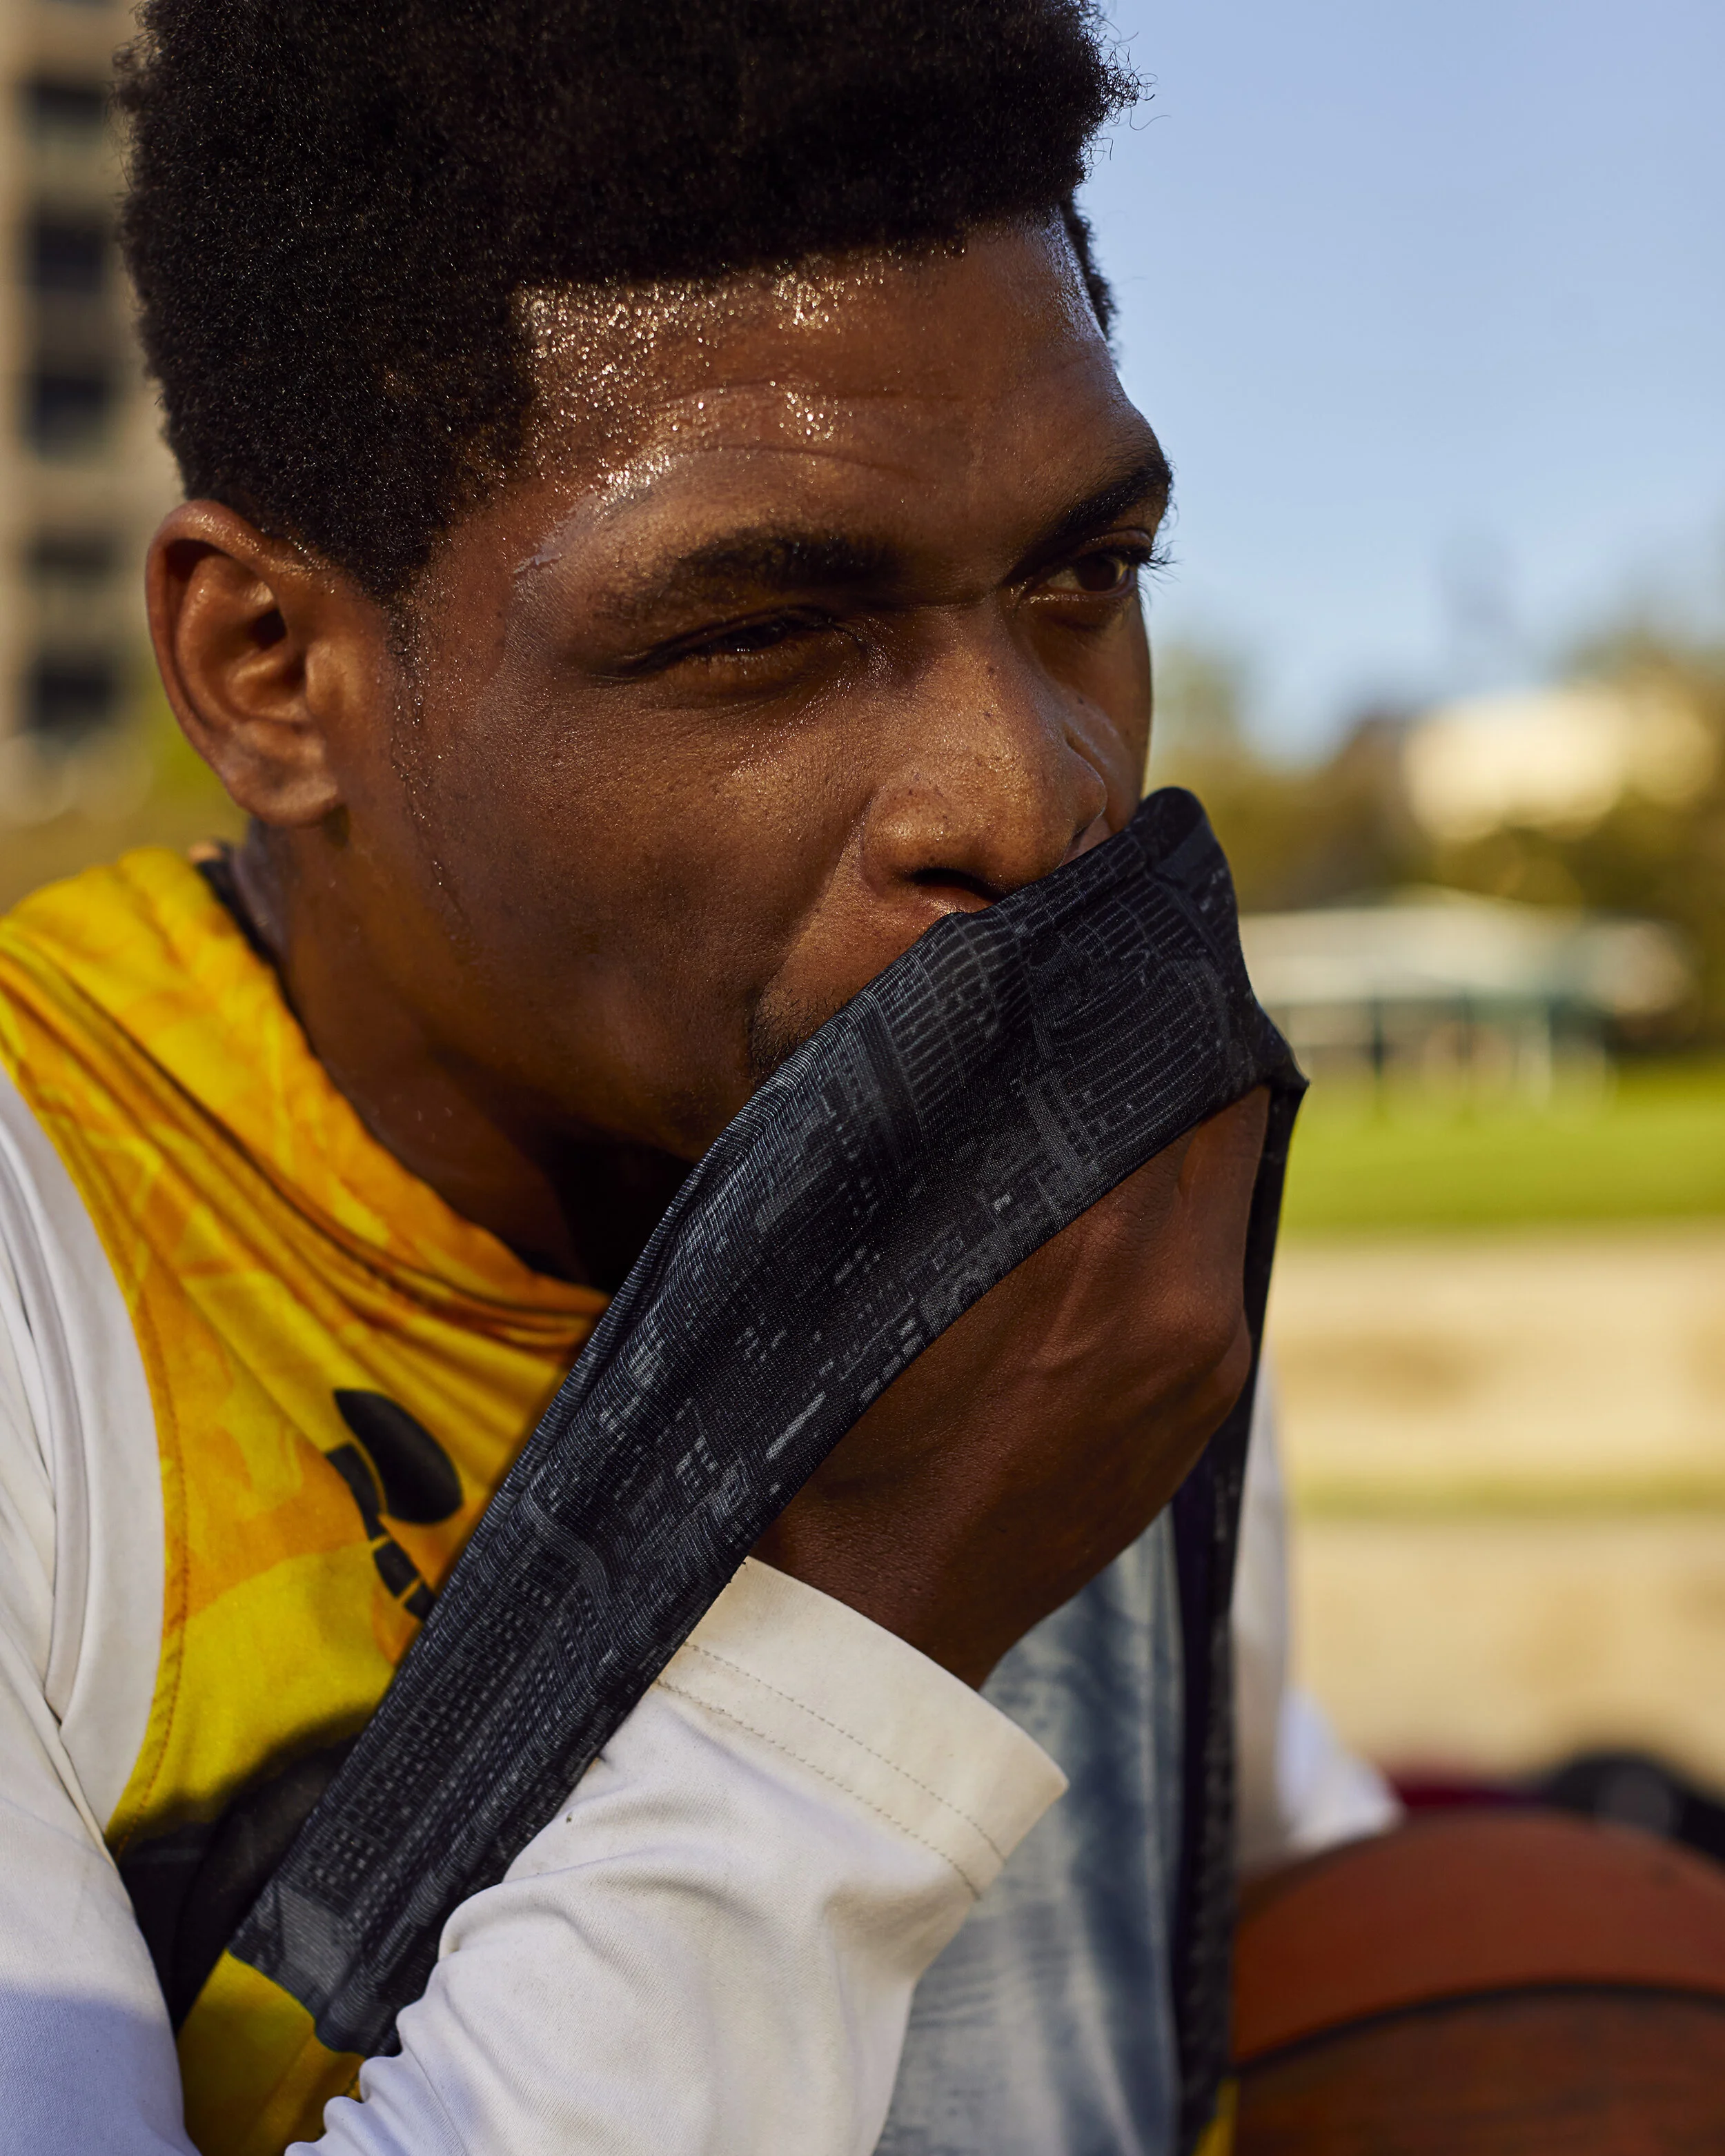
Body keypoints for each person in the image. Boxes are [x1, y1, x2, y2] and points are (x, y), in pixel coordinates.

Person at [0, 3, 1393, 2152]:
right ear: (269, 671)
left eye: (1082, 578)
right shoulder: (49, 1274)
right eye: (759, 635)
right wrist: (859, 1635)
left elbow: (1238, 1918)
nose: (1024, 797)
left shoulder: (1059, 1220)